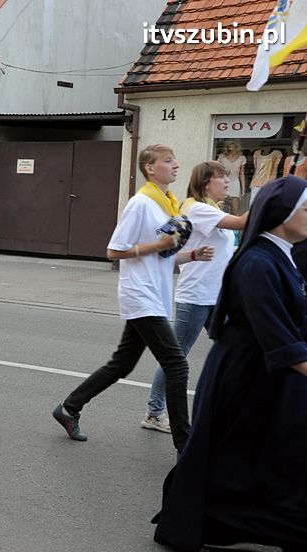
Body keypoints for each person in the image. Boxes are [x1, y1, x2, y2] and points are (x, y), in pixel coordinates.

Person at [153, 175, 307, 552]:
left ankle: (234, 523)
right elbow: (277, 334)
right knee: (223, 450)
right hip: (242, 373)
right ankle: (184, 526)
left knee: (249, 453)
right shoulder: (255, 260)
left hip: (262, 371)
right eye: (305, 207)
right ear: (282, 214)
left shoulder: (279, 253)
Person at [51, 145, 212, 454]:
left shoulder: (167, 205)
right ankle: (186, 444)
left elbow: (163, 254)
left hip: (155, 293)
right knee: (176, 364)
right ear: (150, 168)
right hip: (140, 294)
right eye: (168, 161)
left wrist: (192, 255)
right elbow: (114, 251)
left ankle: (69, 408)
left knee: (122, 364)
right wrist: (158, 244)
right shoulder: (140, 203)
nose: (176, 164)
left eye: (174, 159)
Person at [140, 161, 247, 434]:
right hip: (196, 295)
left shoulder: (212, 209)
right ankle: (154, 412)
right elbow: (242, 222)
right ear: (205, 183)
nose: (227, 182)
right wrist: (273, 194)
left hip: (217, 296)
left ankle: (227, 406)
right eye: (221, 178)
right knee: (176, 356)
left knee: (233, 347)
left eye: (227, 177)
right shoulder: (197, 208)